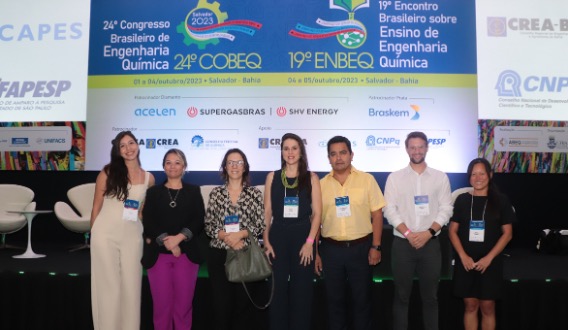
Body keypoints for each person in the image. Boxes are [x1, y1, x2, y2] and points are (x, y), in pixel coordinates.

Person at [384, 131, 453, 330]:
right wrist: (408, 234)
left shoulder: (440, 177)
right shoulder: (395, 178)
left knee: (430, 298)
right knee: (401, 297)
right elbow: (389, 209)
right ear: (406, 149)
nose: (416, 151)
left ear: (427, 148)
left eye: (420, 146)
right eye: (412, 147)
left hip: (430, 245)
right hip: (402, 245)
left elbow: (446, 208)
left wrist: (428, 233)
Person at [315, 135, 385, 330]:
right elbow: (315, 222)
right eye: (333, 154)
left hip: (361, 249)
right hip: (331, 250)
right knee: (334, 302)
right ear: (328, 158)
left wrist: (376, 246)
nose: (339, 158)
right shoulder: (319, 185)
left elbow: (377, 215)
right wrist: (316, 252)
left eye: (343, 153)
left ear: (351, 155)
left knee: (362, 301)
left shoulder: (367, 180)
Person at [90, 130, 155, 330]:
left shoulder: (149, 179)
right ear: (118, 151)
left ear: (138, 145)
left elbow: (143, 212)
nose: (128, 149)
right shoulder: (108, 173)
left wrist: (150, 235)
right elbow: (96, 206)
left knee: (132, 286)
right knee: (109, 288)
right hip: (104, 235)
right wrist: (94, 235)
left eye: (131, 143)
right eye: (123, 146)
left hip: (132, 236)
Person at [263, 133, 322, 330]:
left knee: (302, 291)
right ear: (281, 151)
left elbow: (317, 213)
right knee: (277, 290)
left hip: (302, 236)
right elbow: (268, 212)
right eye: (286, 148)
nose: (290, 152)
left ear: (301, 151)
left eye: (294, 148)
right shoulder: (272, 177)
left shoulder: (312, 178)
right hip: (278, 235)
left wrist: (309, 243)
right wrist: (266, 240)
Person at [141, 148, 205, 330]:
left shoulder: (193, 191)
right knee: (161, 308)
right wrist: (167, 242)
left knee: (183, 308)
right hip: (158, 256)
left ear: (184, 166)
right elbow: (149, 220)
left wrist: (178, 238)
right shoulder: (154, 193)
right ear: (163, 166)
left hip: (187, 256)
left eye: (177, 162)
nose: (173, 166)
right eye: (168, 162)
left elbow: (199, 219)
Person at [449, 158, 514, 330]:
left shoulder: (501, 200)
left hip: (490, 263)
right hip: (466, 262)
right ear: (469, 177)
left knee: (487, 307)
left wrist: (489, 258)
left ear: (490, 175)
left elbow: (507, 234)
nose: (478, 178)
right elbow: (452, 231)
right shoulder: (462, 200)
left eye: (482, 173)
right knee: (470, 305)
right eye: (473, 174)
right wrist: (462, 256)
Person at [204, 148, 266, 330]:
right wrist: (225, 236)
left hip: (245, 254)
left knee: (243, 307)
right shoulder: (216, 193)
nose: (235, 166)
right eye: (230, 162)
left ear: (245, 167)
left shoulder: (254, 193)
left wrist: (241, 234)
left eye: (239, 162)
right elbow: (209, 225)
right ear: (225, 166)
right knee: (222, 307)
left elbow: (261, 224)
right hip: (219, 255)